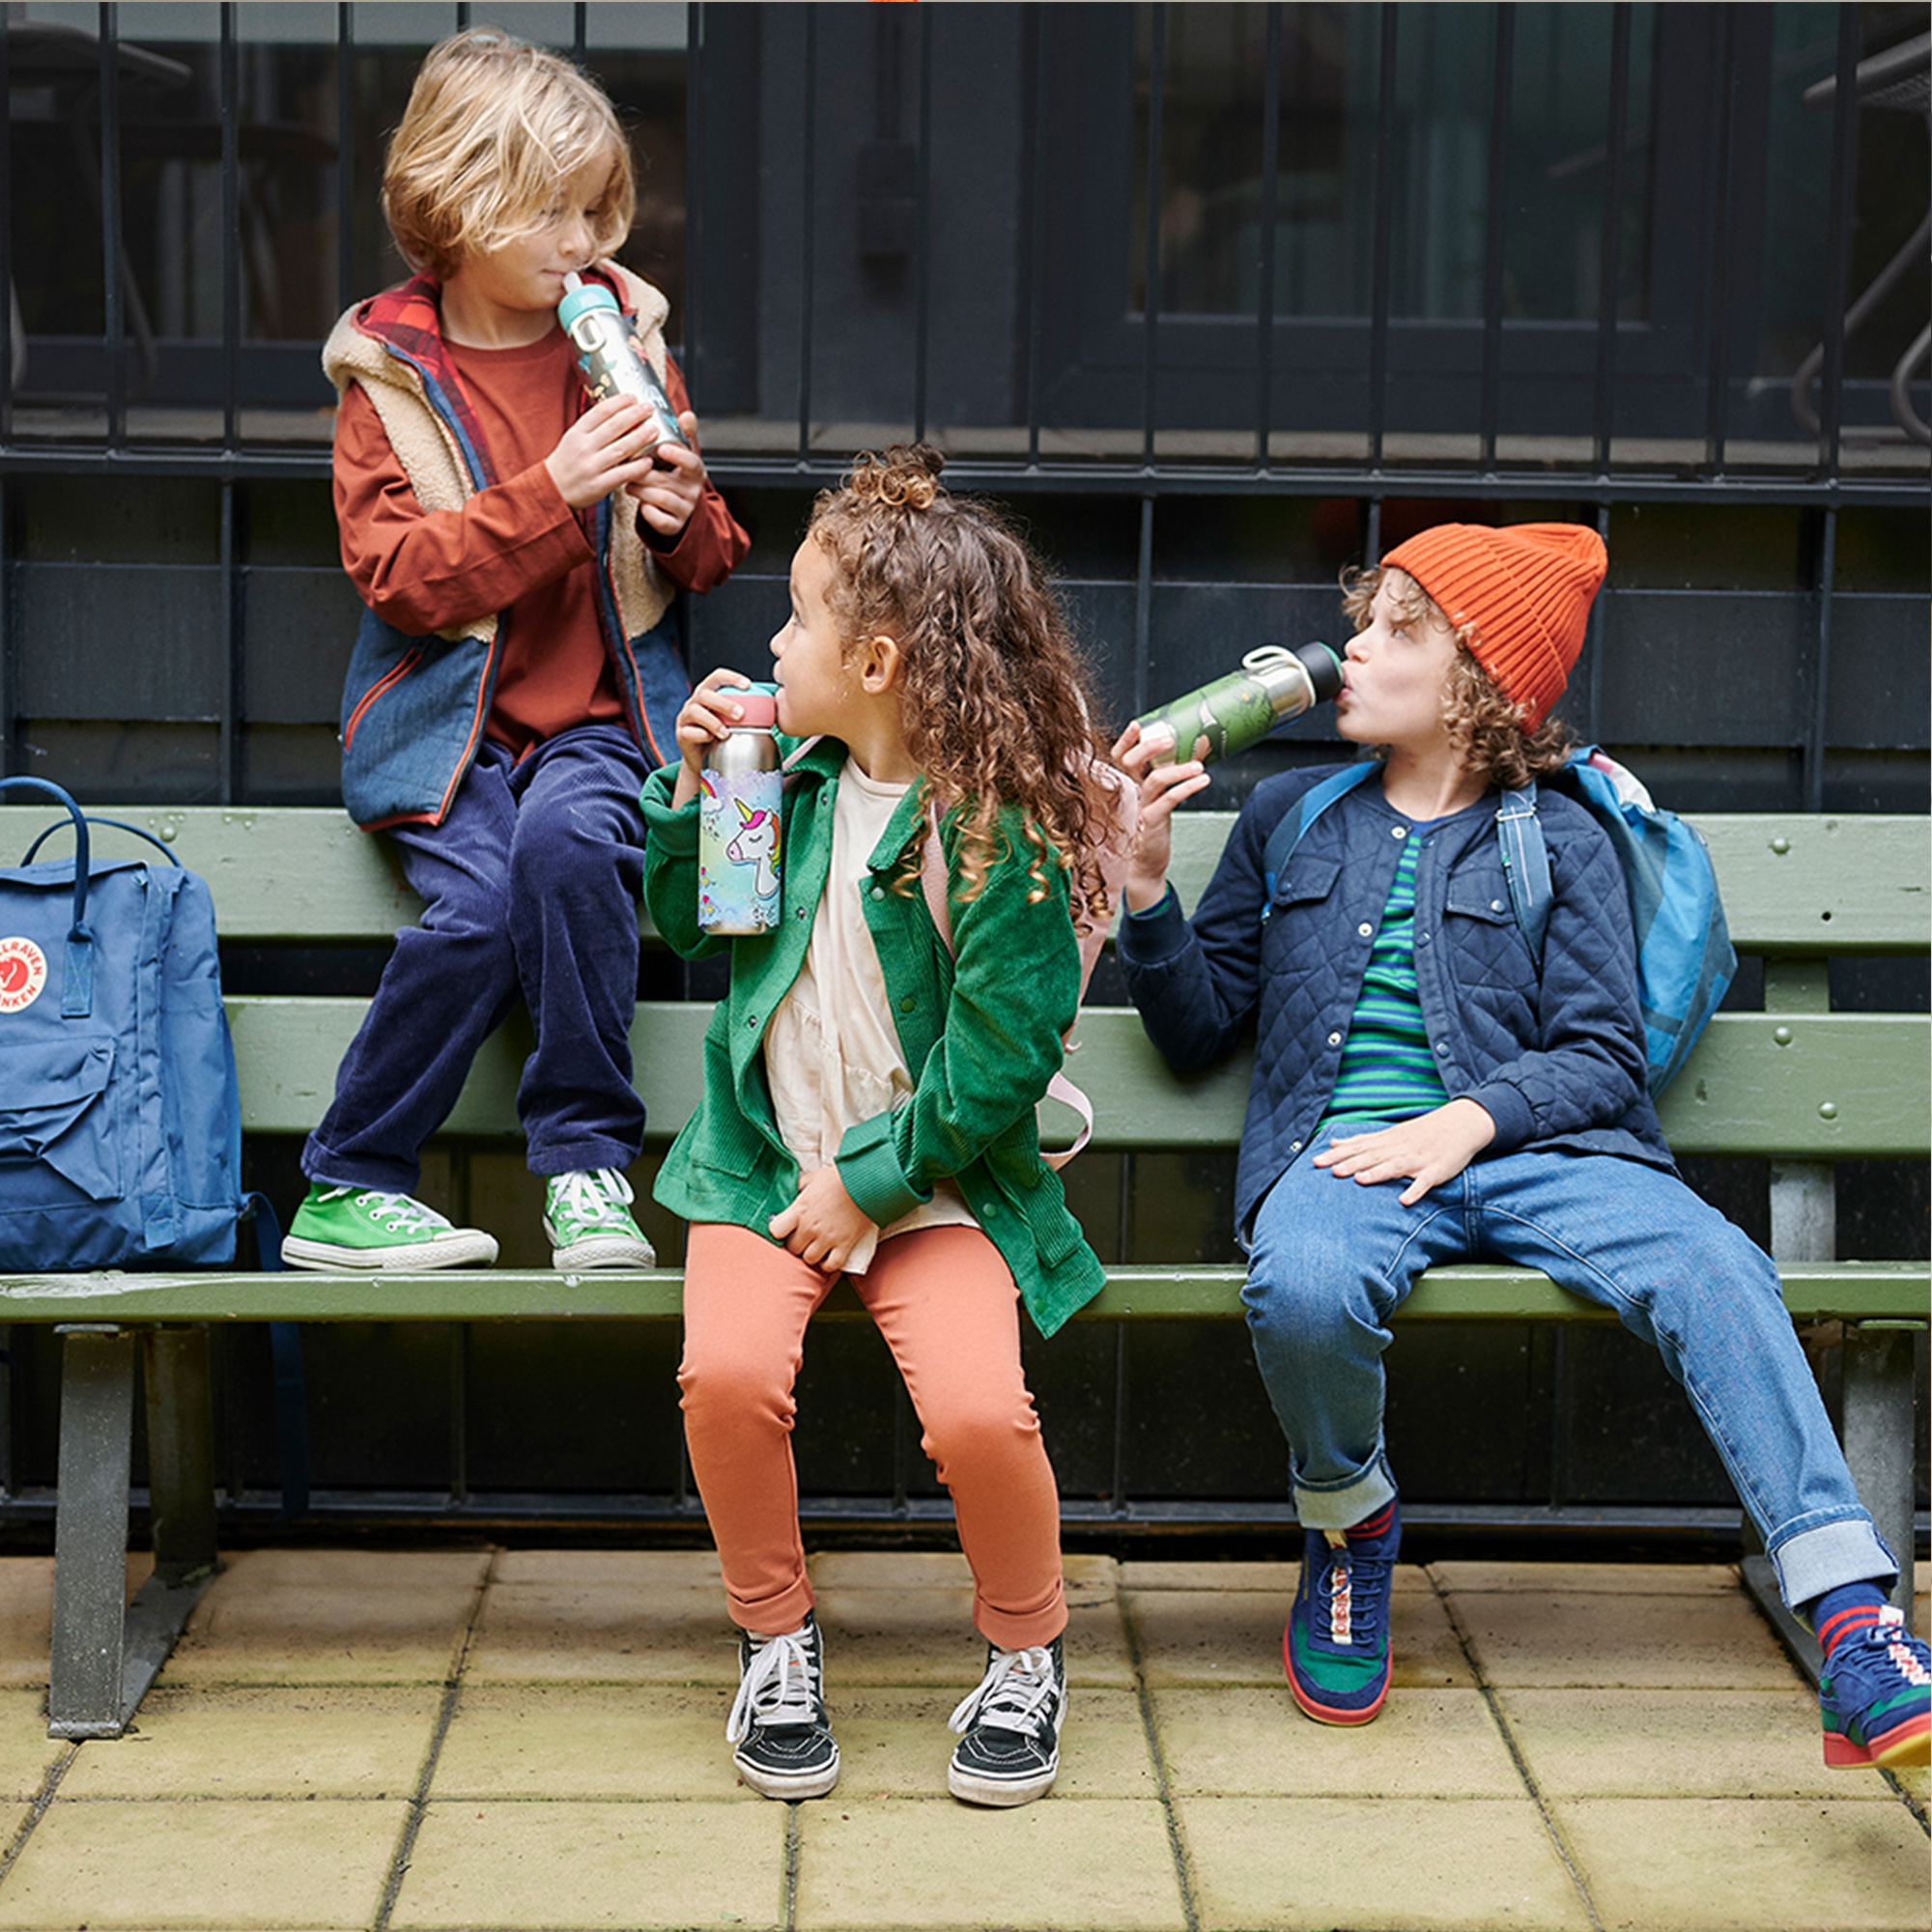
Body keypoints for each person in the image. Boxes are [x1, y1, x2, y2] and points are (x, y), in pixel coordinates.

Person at [1114, 521, 1931, 1770]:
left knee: (1718, 1269)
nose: (1354, 648)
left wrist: (1470, 1119)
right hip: (1349, 1160)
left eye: (1397, 630)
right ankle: (1349, 1529)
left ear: (1477, 679)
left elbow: (1602, 1055)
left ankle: (1856, 1618)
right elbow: (1194, 1028)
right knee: (1306, 1283)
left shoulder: (1559, 837)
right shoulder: (1290, 816)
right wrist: (1145, 891)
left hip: (1547, 1155)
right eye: (1362, 622)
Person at [640, 445, 1115, 1806]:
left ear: (883, 663)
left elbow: (996, 1068)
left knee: (979, 1411)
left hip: (934, 1186)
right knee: (726, 1380)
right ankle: (773, 1638)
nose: (771, 641)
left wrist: (871, 1191)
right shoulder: (776, 777)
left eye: (796, 618)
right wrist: (696, 792)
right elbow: (697, 924)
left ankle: (1028, 1650)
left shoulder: (996, 835)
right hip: (765, 1166)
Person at [281, 28, 749, 1273]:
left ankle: (588, 1169)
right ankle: (345, 1182)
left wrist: (679, 507)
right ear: (460, 201)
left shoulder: (625, 335)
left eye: (600, 208)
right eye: (553, 211)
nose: (584, 241)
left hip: (603, 719)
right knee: (481, 904)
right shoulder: (386, 377)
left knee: (570, 854)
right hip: (449, 737)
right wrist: (553, 492)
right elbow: (399, 578)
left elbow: (707, 557)